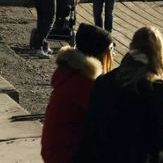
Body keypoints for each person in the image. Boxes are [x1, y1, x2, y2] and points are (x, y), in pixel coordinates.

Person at [74, 26, 163, 163]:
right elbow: (162, 139)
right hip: (138, 157)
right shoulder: (156, 86)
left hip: (104, 154)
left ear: (132, 47)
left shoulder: (104, 80)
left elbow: (93, 125)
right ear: (159, 53)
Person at [41, 24, 113, 163]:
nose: (113, 54)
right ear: (99, 53)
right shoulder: (84, 83)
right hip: (67, 155)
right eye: (110, 49)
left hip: (56, 150)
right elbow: (109, 119)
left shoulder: (71, 73)